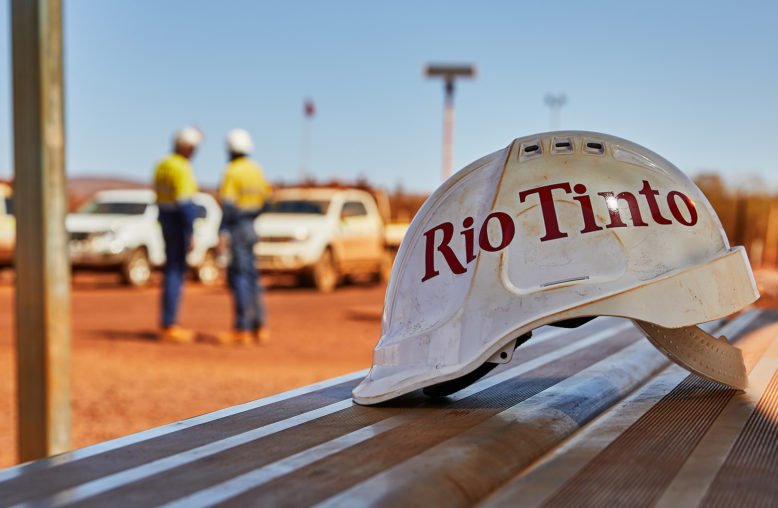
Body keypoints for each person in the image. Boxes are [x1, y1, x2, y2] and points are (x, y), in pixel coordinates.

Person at [217, 128, 272, 345]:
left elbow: (228, 206)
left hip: (238, 228)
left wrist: (223, 228)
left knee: (239, 276)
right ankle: (260, 326)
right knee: (252, 276)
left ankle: (242, 327)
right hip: (251, 227)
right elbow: (267, 200)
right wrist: (252, 214)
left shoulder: (231, 171)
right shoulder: (256, 170)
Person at [153, 126, 203, 343]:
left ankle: (167, 321)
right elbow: (185, 204)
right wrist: (190, 232)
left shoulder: (162, 165)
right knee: (175, 272)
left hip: (165, 221)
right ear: (186, 147)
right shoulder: (181, 167)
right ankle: (170, 323)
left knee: (169, 271)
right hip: (177, 223)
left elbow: (159, 198)